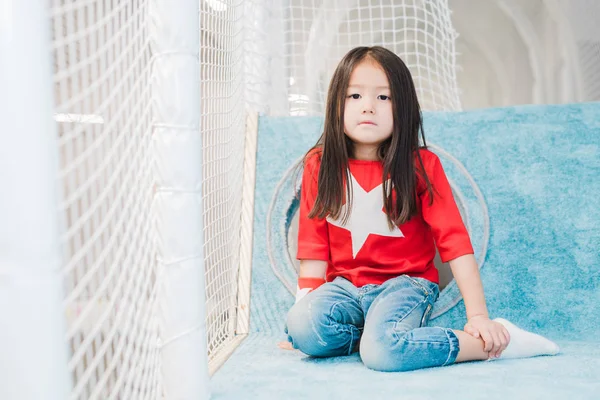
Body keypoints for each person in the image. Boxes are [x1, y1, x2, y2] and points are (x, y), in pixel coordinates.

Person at [280, 46, 559, 372]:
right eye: (354, 96)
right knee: (300, 328)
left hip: (405, 284)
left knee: (383, 353)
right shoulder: (319, 164)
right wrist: (305, 319)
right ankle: (373, 336)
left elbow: (454, 241)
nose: (368, 107)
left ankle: (490, 346)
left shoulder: (421, 165)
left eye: (384, 98)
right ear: (335, 104)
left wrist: (478, 316)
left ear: (405, 108)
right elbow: (313, 248)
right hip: (345, 288)